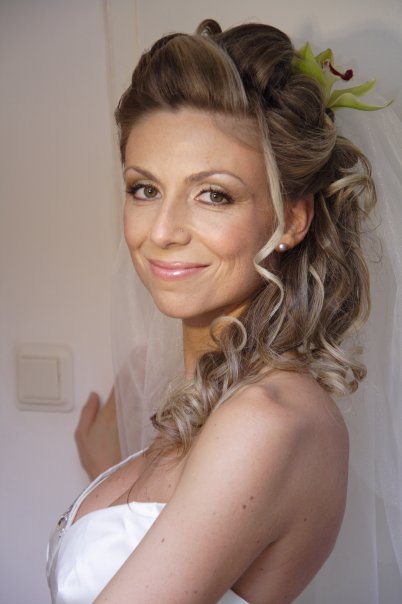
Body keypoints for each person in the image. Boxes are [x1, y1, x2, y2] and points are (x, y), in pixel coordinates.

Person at [47, 19, 401, 604]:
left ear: (291, 218)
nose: (163, 231)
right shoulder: (216, 409)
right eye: (144, 189)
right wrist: (108, 468)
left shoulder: (268, 419)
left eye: (214, 194)